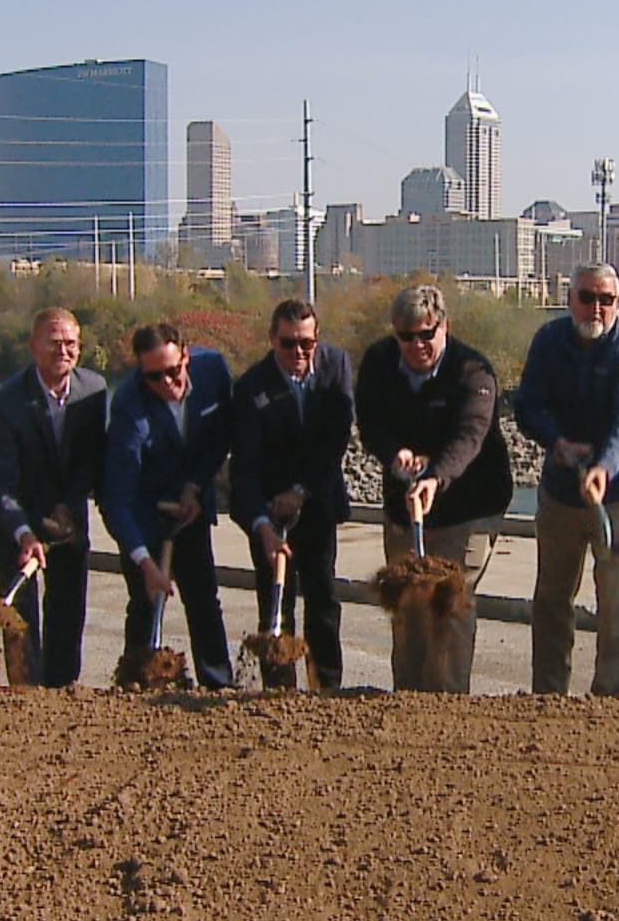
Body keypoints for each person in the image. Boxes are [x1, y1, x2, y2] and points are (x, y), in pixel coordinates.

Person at [355, 284, 514, 693]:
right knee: (407, 603)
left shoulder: (473, 372)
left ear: (444, 326)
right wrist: (395, 454)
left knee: (448, 606)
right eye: (406, 337)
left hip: (470, 506)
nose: (417, 345)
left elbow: (470, 435)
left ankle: (446, 703)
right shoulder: (377, 362)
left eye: (427, 334)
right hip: (405, 510)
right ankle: (408, 698)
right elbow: (370, 424)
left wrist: (434, 477)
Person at [514, 262, 619, 697]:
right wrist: (555, 441)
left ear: (618, 303)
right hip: (560, 490)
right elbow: (528, 405)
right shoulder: (549, 341)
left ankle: (608, 695)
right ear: (570, 298)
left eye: (606, 299)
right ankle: (549, 694)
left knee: (614, 602)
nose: (596, 308)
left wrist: (604, 467)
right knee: (552, 598)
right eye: (587, 297)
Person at [99, 323, 235, 691]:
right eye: (154, 377)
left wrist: (195, 487)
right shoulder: (129, 407)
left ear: (185, 356)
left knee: (203, 599)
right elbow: (117, 498)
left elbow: (219, 436)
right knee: (145, 603)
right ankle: (135, 682)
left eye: (173, 371)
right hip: (144, 512)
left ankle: (218, 683)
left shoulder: (213, 371)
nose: (166, 383)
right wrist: (145, 561)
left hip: (191, 505)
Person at [0, 307, 108, 688]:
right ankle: (24, 697)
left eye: (70, 344)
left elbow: (91, 459)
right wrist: (24, 534)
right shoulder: (7, 403)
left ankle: (62, 692)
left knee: (67, 617)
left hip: (68, 521)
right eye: (54, 343)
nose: (63, 352)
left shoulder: (95, 390)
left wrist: (68, 505)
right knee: (20, 624)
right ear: (34, 346)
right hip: (16, 522)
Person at [230, 298, 353, 691]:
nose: (298, 352)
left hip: (316, 501)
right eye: (288, 344)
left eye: (307, 343)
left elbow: (335, 440)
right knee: (275, 601)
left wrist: (301, 492)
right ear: (272, 339)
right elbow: (245, 464)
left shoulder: (336, 366)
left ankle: (326, 687)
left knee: (323, 600)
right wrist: (262, 524)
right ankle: (279, 689)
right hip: (268, 509)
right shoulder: (251, 387)